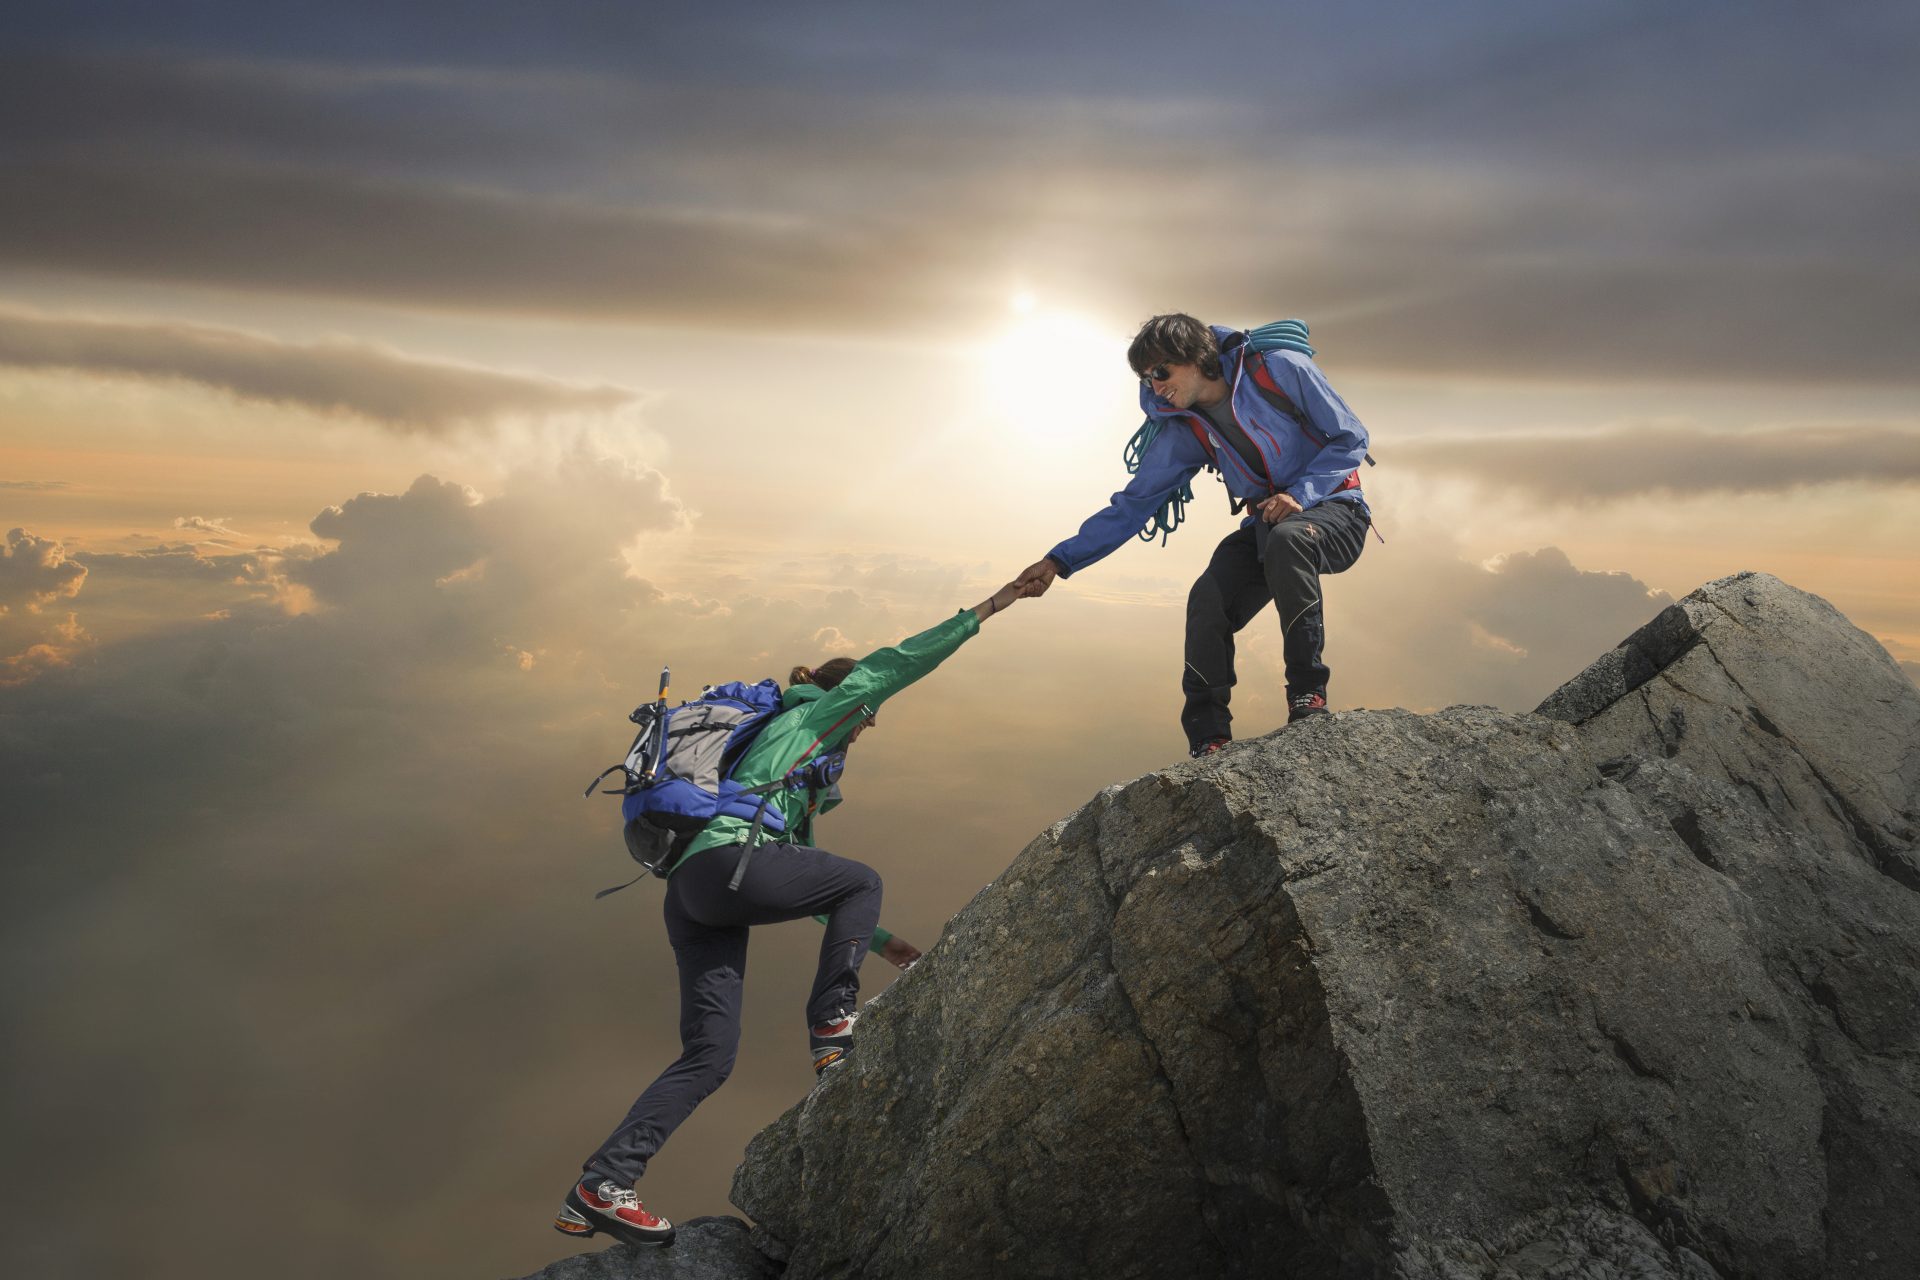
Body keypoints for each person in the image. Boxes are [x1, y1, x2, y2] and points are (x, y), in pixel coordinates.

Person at [554, 579, 1028, 1247]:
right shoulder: (818, 716)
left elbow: (803, 870)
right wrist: (994, 604)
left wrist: (883, 942)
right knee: (863, 879)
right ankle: (833, 1021)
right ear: (847, 698)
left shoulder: (783, 756)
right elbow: (903, 660)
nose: (866, 726)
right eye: (867, 716)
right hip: (727, 869)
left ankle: (603, 1184)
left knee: (709, 1056)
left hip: (692, 892)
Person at [1014, 313, 1372, 756]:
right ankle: (1209, 738)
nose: (1155, 385)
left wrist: (1301, 494)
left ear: (1196, 357)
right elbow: (1132, 506)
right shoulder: (1186, 429)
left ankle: (1307, 693)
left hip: (1337, 510)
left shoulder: (1280, 369)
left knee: (1289, 540)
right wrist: (1057, 562)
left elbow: (1351, 437)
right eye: (1147, 377)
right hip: (1269, 527)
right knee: (1208, 596)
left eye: (1161, 371)